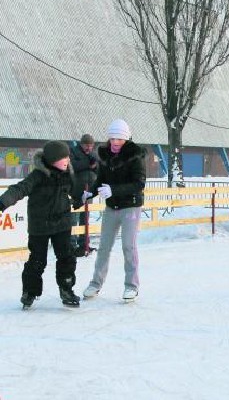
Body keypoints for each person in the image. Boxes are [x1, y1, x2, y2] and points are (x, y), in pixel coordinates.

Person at [0, 141, 80, 309]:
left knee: (66, 257)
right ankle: (30, 292)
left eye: (68, 156)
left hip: (62, 224)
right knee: (37, 260)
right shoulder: (38, 175)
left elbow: (75, 190)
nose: (67, 160)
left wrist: (79, 198)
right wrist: (2, 203)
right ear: (52, 160)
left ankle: (66, 289)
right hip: (40, 225)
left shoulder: (68, 173)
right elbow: (19, 189)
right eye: (63, 157)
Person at [82, 119, 146, 302]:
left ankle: (131, 286)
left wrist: (114, 190)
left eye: (119, 139)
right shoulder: (104, 155)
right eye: (112, 138)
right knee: (104, 247)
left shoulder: (135, 155)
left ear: (126, 138)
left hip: (130, 207)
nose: (115, 142)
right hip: (111, 207)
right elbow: (100, 179)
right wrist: (90, 193)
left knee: (128, 245)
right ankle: (95, 283)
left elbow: (139, 183)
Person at [70, 133, 98, 256]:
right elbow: (73, 167)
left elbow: (98, 169)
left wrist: (95, 165)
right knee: (73, 219)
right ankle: (71, 245)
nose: (89, 148)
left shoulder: (93, 154)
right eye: (87, 145)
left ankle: (84, 244)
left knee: (85, 219)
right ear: (81, 144)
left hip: (89, 191)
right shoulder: (74, 152)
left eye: (91, 145)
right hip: (76, 190)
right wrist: (88, 164)